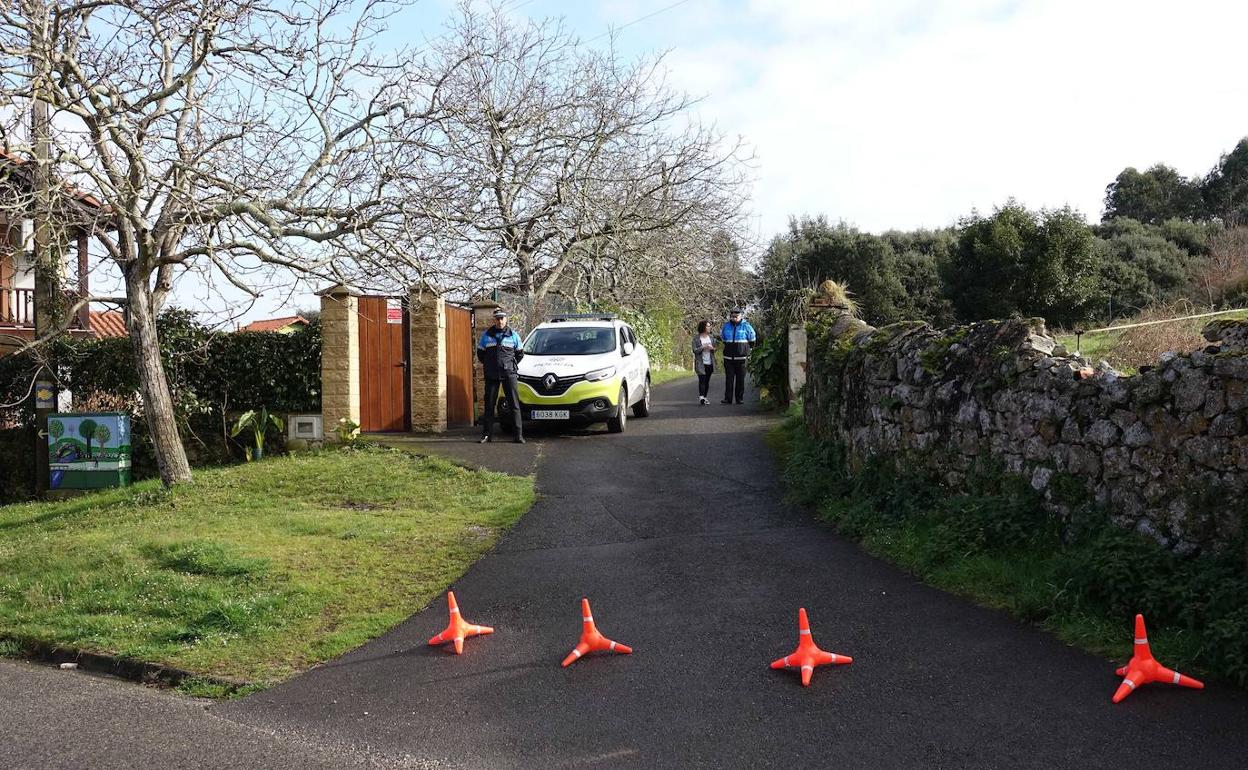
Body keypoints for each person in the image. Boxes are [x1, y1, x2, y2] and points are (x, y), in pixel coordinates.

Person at [477, 309, 526, 444]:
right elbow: (481, 354)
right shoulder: (486, 336)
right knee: (489, 405)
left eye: (502, 318)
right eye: (497, 319)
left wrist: (509, 365)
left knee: (514, 405)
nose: (500, 321)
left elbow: (519, 354)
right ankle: (486, 435)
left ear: (506, 319)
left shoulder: (514, 335)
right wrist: (490, 365)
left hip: (509, 374)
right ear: (494, 320)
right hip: (492, 375)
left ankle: (518, 435)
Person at [720, 308, 756, 405]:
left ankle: (739, 398)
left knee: (740, 380)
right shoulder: (726, 326)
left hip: (742, 358)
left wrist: (749, 351)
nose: (734, 317)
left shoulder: (746, 326)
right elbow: (722, 338)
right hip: (728, 358)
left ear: (741, 316)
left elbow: (752, 339)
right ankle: (728, 399)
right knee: (729, 379)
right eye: (732, 316)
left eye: (736, 316)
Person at [692, 320, 717, 405]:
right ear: (703, 327)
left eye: (709, 326)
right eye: (707, 326)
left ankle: (705, 397)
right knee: (702, 380)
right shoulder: (696, 339)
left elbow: (715, 349)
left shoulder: (712, 338)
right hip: (700, 363)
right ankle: (701, 397)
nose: (709, 328)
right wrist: (703, 347)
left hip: (710, 362)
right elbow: (695, 350)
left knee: (707, 381)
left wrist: (712, 349)